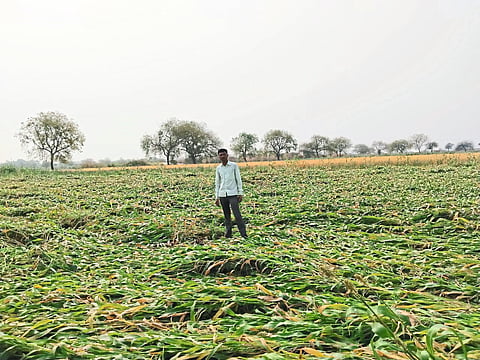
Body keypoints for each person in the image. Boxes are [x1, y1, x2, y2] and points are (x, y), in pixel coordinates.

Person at [215, 148, 247, 238]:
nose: (222, 156)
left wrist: (240, 193)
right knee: (226, 215)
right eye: (220, 155)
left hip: (233, 194)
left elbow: (238, 179)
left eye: (224, 154)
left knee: (237, 215)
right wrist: (216, 197)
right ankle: (228, 234)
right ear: (219, 157)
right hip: (222, 194)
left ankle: (243, 234)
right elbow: (217, 183)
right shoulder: (218, 168)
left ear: (227, 155)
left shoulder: (233, 166)